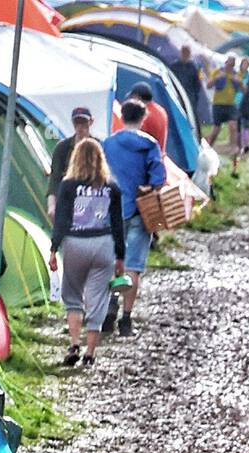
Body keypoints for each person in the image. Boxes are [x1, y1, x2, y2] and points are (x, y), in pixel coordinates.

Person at [48, 138, 125, 367]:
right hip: (103, 244)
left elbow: (61, 219)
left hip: (75, 244)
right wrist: (120, 256)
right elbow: (118, 223)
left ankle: (74, 344)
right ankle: (90, 353)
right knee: (98, 299)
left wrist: (54, 248)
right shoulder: (111, 187)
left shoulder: (68, 185)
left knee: (73, 296)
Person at [103, 99, 166, 338]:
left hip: (111, 209)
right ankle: (126, 320)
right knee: (134, 266)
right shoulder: (149, 145)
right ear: (143, 118)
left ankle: (110, 303)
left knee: (111, 260)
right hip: (141, 209)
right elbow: (158, 179)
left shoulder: (108, 143)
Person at [47, 107, 93, 219]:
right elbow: (55, 178)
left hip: (92, 201)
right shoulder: (62, 148)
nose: (80, 127)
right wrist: (51, 206)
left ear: (90, 122)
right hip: (67, 200)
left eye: (83, 122)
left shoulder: (97, 146)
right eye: (77, 123)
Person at [207, 56, 245, 170]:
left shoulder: (236, 75)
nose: (230, 66)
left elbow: (244, 89)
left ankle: (233, 148)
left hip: (230, 104)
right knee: (216, 130)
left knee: (233, 125)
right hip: (218, 104)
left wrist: (239, 82)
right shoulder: (218, 72)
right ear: (226, 63)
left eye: (232, 64)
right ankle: (207, 148)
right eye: (229, 63)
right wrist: (217, 78)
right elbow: (208, 85)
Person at [127, 82, 168, 158]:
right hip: (159, 158)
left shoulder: (143, 115)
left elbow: (138, 142)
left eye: (132, 98)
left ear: (137, 97)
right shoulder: (161, 111)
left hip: (147, 160)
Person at [170, 45, 204, 131]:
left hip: (190, 95)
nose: (185, 55)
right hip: (176, 95)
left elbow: (197, 84)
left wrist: (195, 96)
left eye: (187, 53)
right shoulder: (174, 66)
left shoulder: (193, 67)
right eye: (184, 53)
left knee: (191, 115)